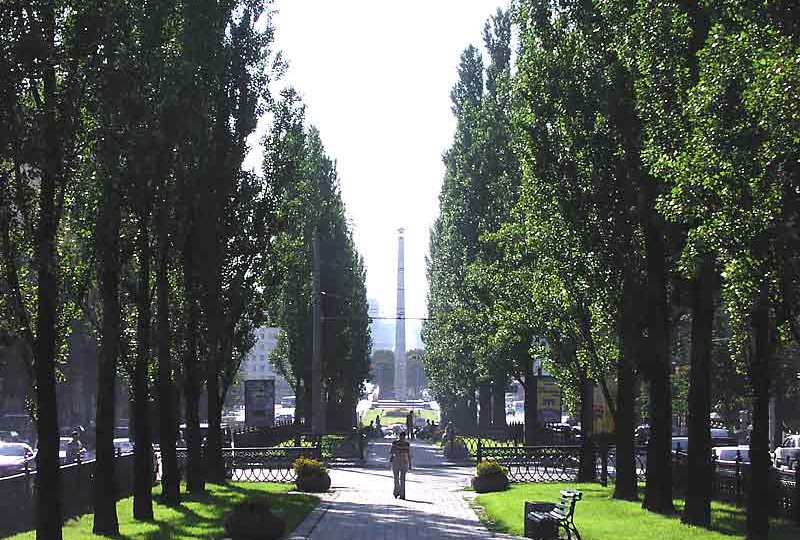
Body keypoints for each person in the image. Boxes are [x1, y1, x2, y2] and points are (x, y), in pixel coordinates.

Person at [390, 432, 412, 499]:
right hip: (405, 461)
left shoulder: (395, 443)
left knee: (396, 478)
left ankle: (396, 492)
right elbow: (409, 454)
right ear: (405, 437)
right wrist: (410, 464)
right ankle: (402, 494)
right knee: (402, 479)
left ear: (399, 436)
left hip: (396, 460)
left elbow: (391, 452)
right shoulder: (407, 444)